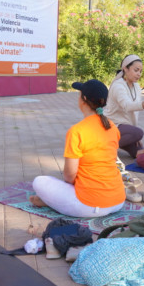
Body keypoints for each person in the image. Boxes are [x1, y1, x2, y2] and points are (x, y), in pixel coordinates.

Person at [30, 79, 125, 218]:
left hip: (89, 206)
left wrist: (83, 186)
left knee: (39, 181)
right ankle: (54, 201)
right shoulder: (112, 127)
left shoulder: (77, 131)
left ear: (84, 99)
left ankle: (51, 202)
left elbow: (69, 177)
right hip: (118, 201)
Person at [103, 54, 144, 158]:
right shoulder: (118, 85)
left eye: (140, 71)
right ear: (125, 69)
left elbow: (134, 113)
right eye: (136, 70)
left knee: (140, 154)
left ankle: (119, 141)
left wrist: (134, 136)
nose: (139, 74)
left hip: (125, 129)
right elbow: (127, 106)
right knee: (138, 133)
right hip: (111, 126)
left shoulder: (137, 86)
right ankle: (104, 145)